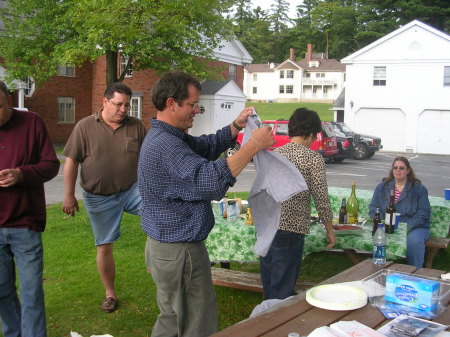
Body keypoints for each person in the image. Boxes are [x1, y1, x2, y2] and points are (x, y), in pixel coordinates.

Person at [138, 70, 275, 337]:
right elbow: (209, 182)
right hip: (180, 252)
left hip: (168, 248)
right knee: (195, 324)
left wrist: (236, 126)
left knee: (172, 318)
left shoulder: (169, 137)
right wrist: (253, 146)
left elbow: (205, 146)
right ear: (171, 103)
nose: (197, 110)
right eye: (192, 104)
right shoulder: (166, 145)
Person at [62, 82, 147, 312]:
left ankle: (161, 267)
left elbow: (149, 158)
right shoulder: (85, 126)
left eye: (127, 105)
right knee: (105, 245)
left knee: (159, 216)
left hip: (132, 190)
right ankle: (110, 294)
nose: (123, 109)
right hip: (99, 197)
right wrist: (69, 195)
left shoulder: (136, 126)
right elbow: (71, 162)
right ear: (105, 102)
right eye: (118, 104)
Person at [0, 80, 60, 337]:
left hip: (25, 223)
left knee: (31, 291)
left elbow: (51, 164)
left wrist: (21, 174)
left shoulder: (32, 123)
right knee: (2, 290)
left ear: (9, 101)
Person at [260, 108, 336, 300]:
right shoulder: (313, 159)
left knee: (269, 283)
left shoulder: (274, 154)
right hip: (291, 228)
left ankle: (265, 321)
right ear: (311, 134)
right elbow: (321, 198)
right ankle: (278, 325)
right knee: (283, 288)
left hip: (267, 226)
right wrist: (329, 229)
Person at [369, 156, 430, 268]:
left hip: (415, 227)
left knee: (414, 241)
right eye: (395, 167)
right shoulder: (382, 187)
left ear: (408, 170)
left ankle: (415, 272)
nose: (398, 170)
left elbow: (423, 214)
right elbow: (373, 207)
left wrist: (405, 227)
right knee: (377, 236)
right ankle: (378, 268)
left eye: (402, 168)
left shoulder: (419, 189)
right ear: (392, 170)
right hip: (387, 225)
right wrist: (382, 223)